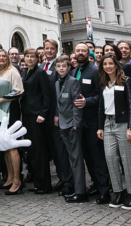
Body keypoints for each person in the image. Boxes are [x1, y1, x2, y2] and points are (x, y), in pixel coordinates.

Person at [96, 54, 131, 210]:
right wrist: (100, 126)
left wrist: (130, 127)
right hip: (108, 124)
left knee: (127, 159)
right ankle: (119, 192)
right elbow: (101, 106)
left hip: (123, 124)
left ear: (116, 65)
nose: (108, 66)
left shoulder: (126, 81)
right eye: (105, 64)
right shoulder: (104, 83)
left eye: (110, 64)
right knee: (110, 158)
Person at [70, 43, 111, 203]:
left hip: (93, 121)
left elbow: (101, 96)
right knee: (87, 156)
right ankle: (95, 184)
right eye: (78, 50)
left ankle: (104, 191)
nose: (80, 53)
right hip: (79, 122)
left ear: (89, 53)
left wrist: (87, 101)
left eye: (83, 51)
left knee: (97, 157)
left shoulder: (95, 71)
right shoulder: (74, 71)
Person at [20, 48, 55, 195]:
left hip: (37, 116)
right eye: (27, 56)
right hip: (27, 115)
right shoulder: (26, 72)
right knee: (32, 151)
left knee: (40, 151)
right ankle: (38, 182)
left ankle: (45, 185)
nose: (29, 59)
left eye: (32, 57)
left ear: (37, 58)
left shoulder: (40, 73)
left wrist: (43, 113)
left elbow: (48, 95)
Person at [53, 55, 85, 201]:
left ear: (69, 67)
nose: (61, 68)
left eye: (64, 66)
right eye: (58, 66)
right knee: (70, 157)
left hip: (72, 125)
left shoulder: (73, 82)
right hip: (62, 124)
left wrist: (76, 124)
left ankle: (80, 192)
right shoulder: (57, 83)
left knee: (76, 158)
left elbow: (77, 104)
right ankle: (74, 188)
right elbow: (59, 103)